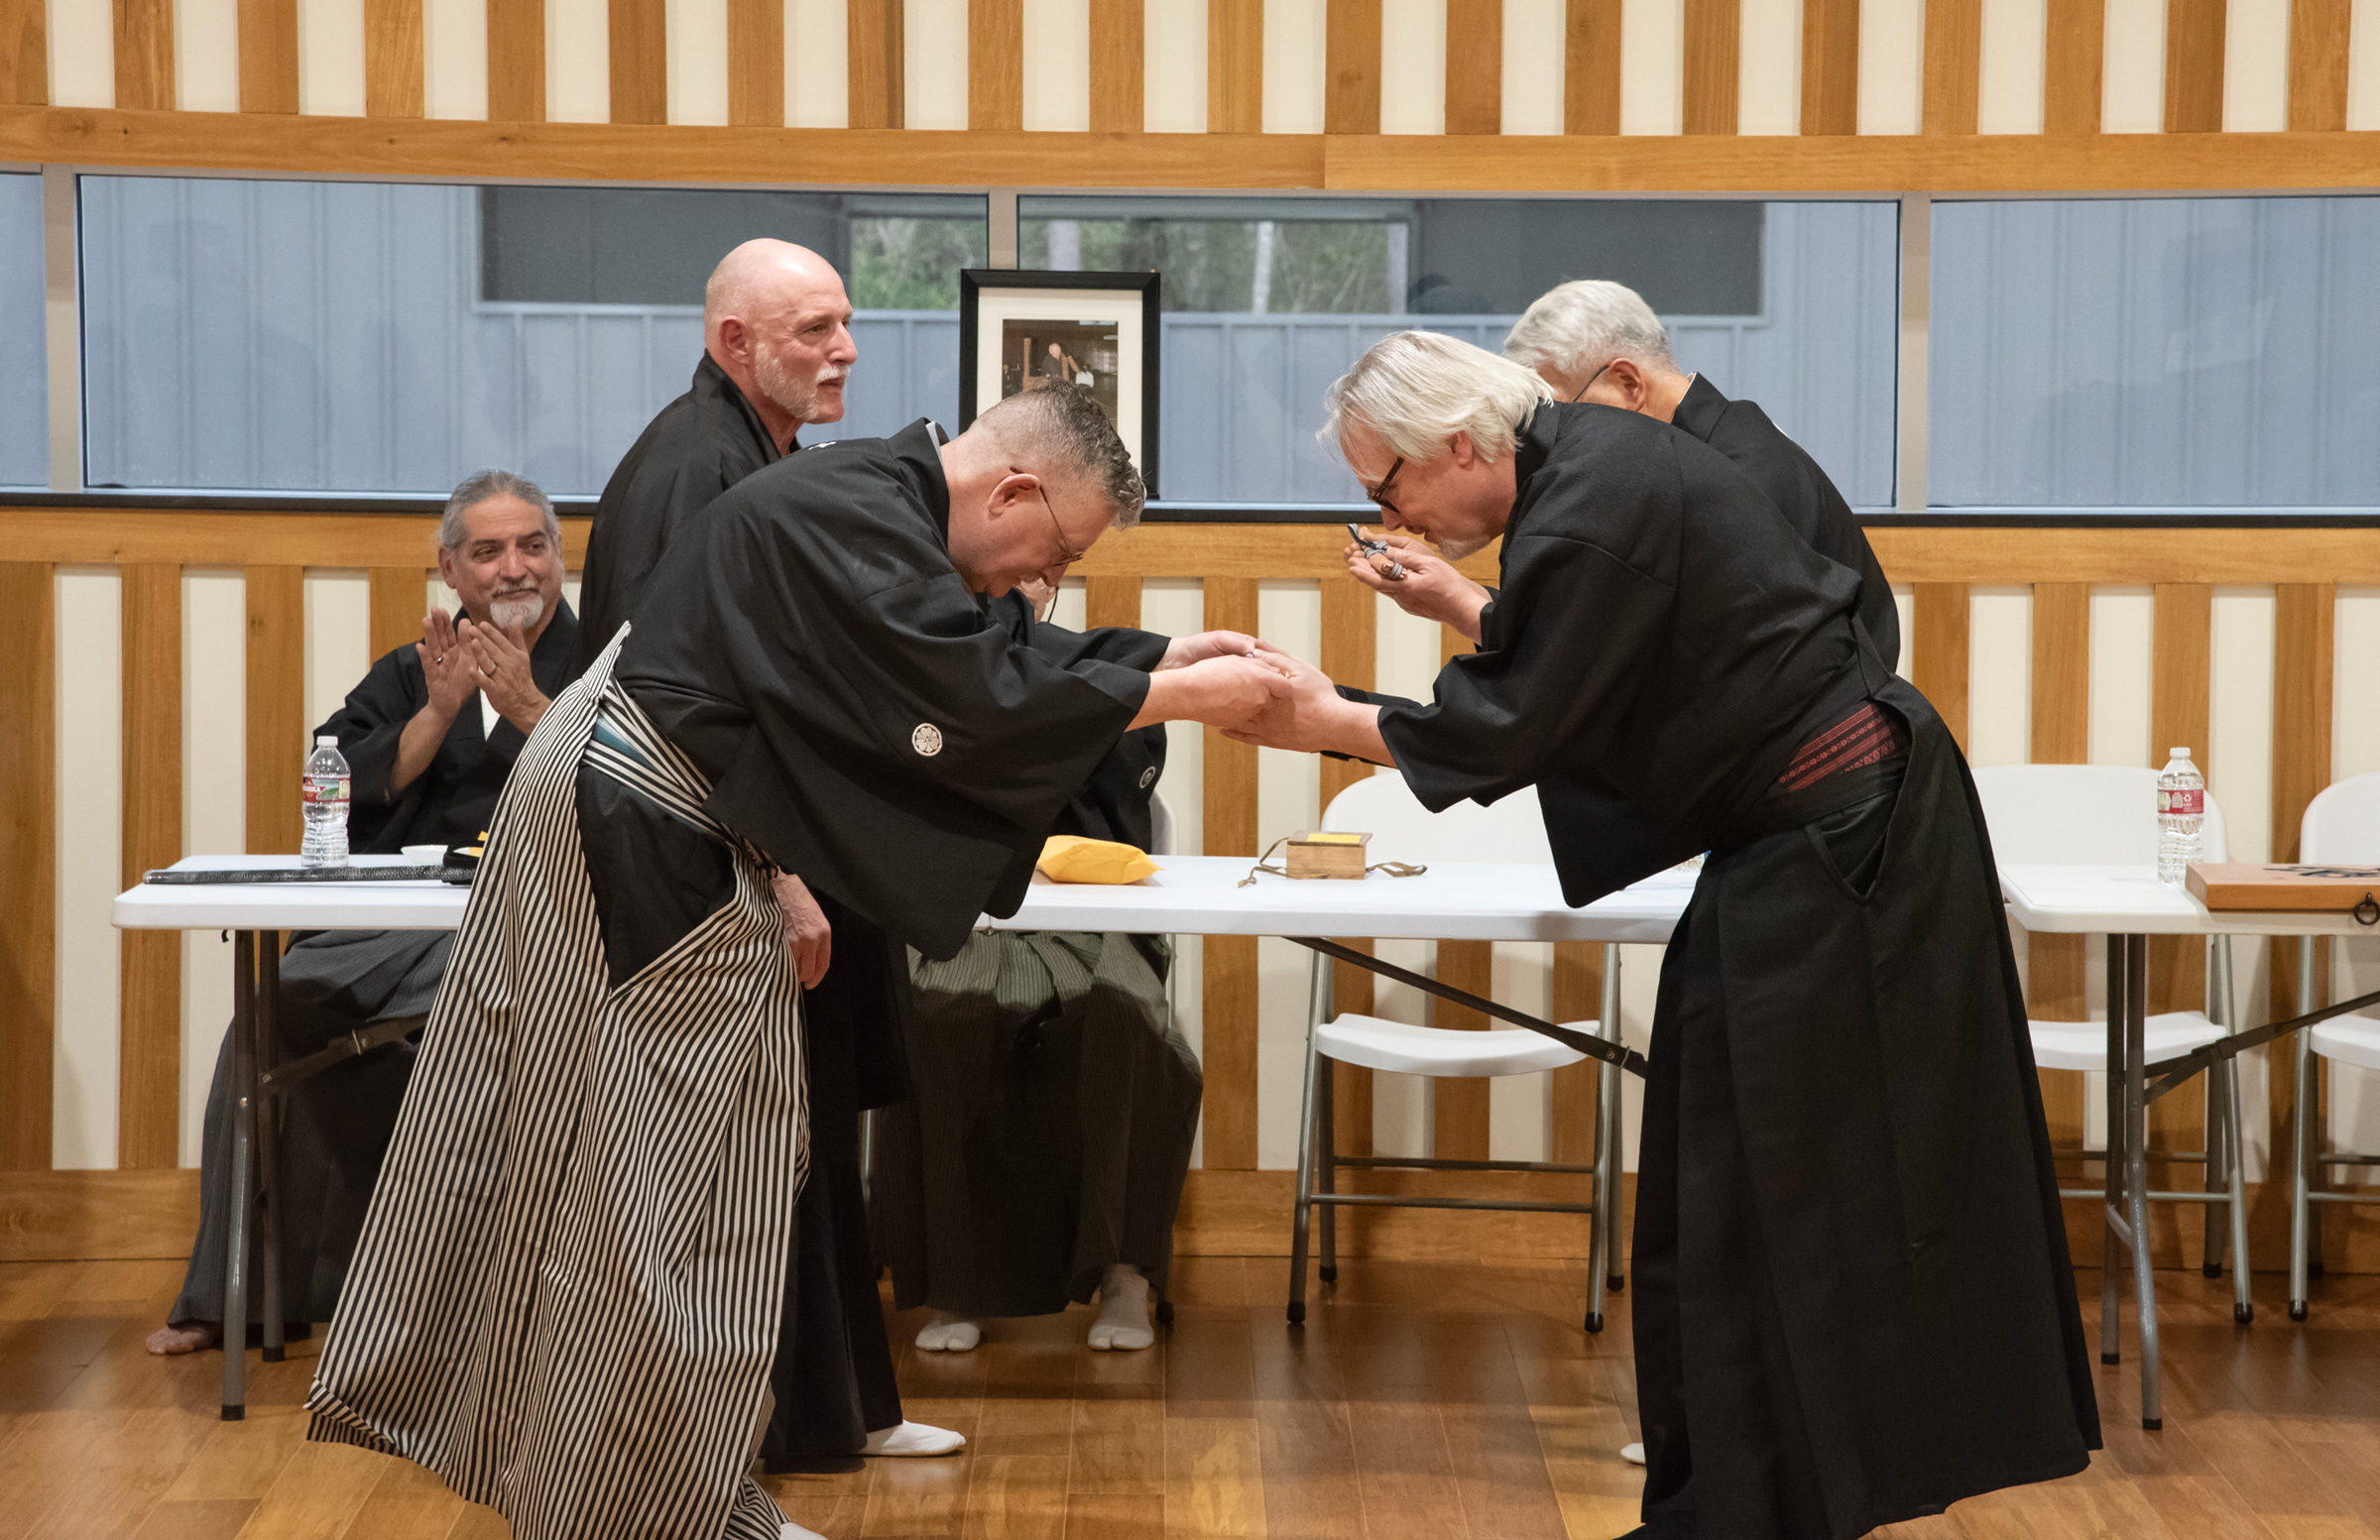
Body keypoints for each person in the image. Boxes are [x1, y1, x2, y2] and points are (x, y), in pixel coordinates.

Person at [306, 385, 1291, 1540]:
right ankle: (637, 1511)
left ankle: (677, 1496)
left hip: (655, 812)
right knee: (659, 1193)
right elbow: (961, 700)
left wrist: (1157, 654)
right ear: (1013, 490)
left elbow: (968, 651)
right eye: (1058, 550)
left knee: (705, 1177)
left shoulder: (875, 501)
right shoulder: (856, 509)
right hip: (644, 818)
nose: (1048, 580)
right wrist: (1173, 690)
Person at [1231, 333, 2098, 1540]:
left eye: (1391, 489)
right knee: (1718, 1179)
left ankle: (1773, 1501)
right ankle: (1730, 1500)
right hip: (1819, 832)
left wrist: (1321, 716)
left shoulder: (1589, 502)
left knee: (1787, 1189)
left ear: (1466, 446)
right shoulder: (1592, 471)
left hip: (1845, 847)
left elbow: (1510, 729)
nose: (1395, 518)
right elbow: (1585, 692)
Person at [567, 239, 953, 1472]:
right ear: (736, 343)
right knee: (747, 1162)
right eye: (813, 331)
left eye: (845, 324)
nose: (844, 350)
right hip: (707, 861)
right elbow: (676, 701)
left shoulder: (763, 449)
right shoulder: (695, 467)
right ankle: (730, 1449)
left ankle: (841, 1409)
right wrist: (779, 875)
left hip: (770, 846)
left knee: (810, 1133)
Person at [146, 470, 576, 1356]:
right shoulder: (410, 671)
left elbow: (633, 788)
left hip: (537, 925)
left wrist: (529, 709)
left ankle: (466, 1304)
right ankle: (236, 1296)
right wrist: (440, 710)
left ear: (560, 558)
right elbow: (329, 787)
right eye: (487, 551)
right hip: (396, 922)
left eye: (532, 545)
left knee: (467, 1017)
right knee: (271, 1018)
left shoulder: (606, 662)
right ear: (450, 571)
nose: (514, 568)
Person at [869, 576, 1199, 1357]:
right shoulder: (930, 672)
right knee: (942, 1012)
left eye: (1041, 571)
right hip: (964, 917)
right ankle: (958, 1282)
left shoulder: (1099, 674)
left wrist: (1050, 714)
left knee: (1121, 1013)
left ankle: (1126, 1271)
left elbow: (1120, 820)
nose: (1024, 585)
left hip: (1089, 915)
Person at [1363, 279, 1898, 675]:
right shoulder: (1694, 458)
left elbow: (1621, 667)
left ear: (1627, 383)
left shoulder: (1744, 473)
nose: (1542, 438)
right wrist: (1459, 597)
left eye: (1557, 412)